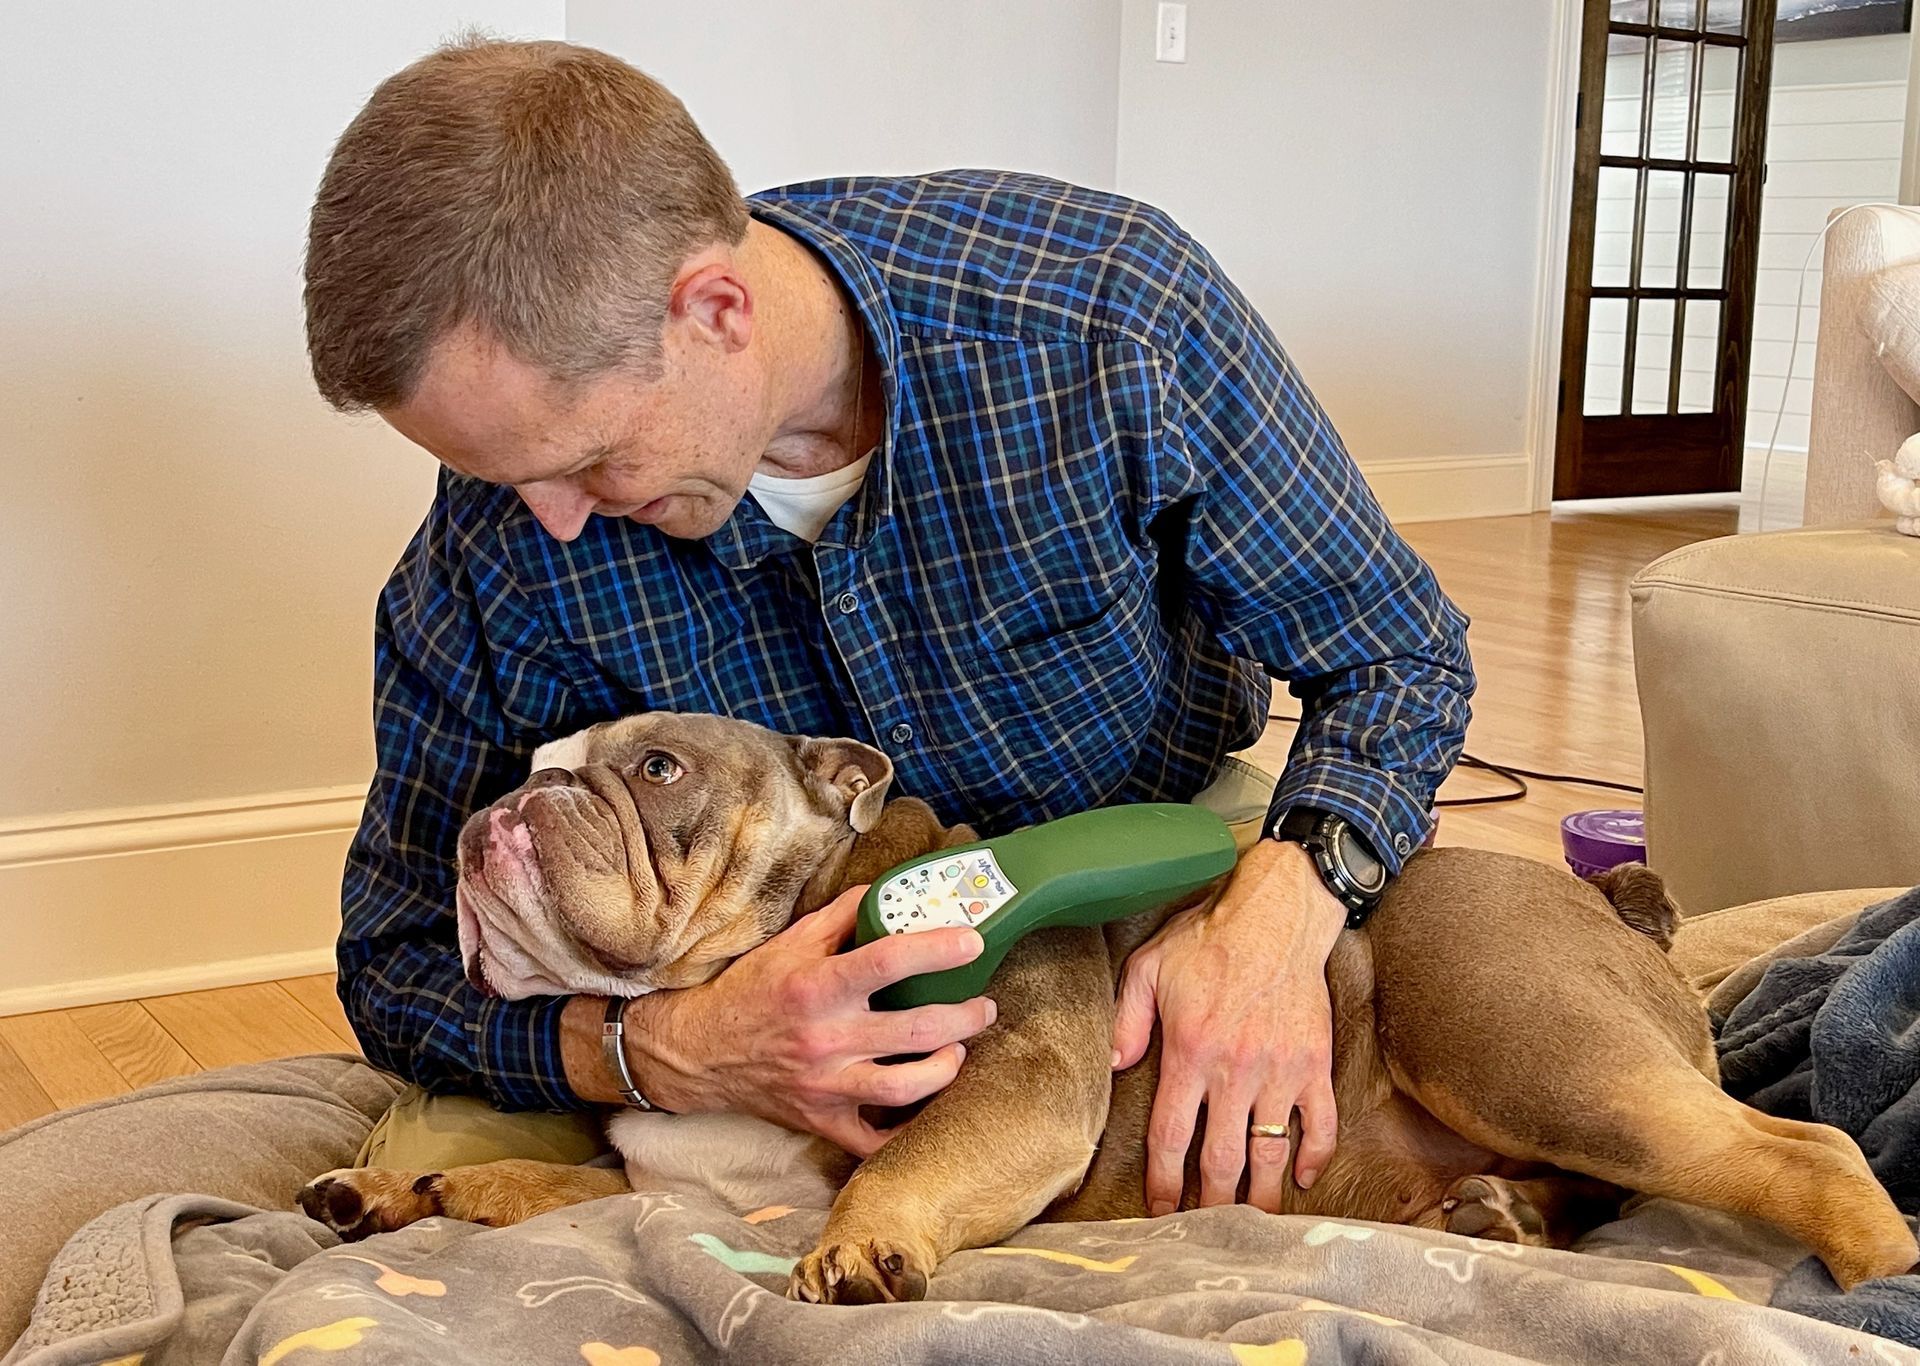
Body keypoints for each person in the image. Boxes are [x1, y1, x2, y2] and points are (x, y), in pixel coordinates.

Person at [305, 36, 1474, 1219]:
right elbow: (395, 959)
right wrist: (665, 1048)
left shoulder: (1109, 314)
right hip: (697, 976)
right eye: (500, 476)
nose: (545, 523)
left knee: (1342, 1062)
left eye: (589, 459)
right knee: (428, 1214)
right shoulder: (495, 540)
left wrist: (1281, 914)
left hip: (1126, 867)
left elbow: (1397, 656)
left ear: (714, 309)